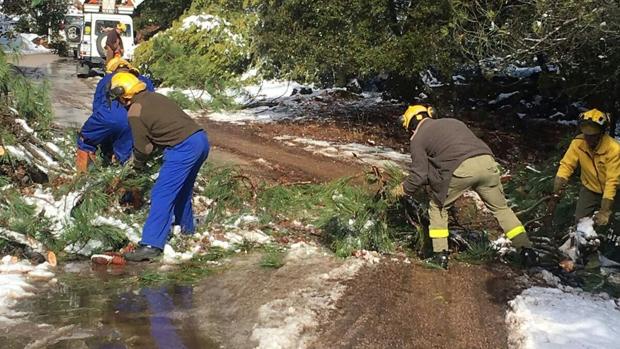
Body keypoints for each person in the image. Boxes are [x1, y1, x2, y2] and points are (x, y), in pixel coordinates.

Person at [392, 105, 534, 269]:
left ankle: (440, 256)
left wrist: (398, 191)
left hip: (461, 169)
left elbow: (418, 176)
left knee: (438, 208)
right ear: (430, 113)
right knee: (502, 209)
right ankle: (527, 251)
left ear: (409, 126)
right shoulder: (453, 122)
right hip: (488, 163)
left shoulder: (417, 138)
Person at [110, 72, 210, 262]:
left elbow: (143, 148)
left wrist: (135, 166)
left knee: (161, 194)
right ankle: (186, 229)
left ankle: (151, 245)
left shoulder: (135, 111)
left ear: (123, 94)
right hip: (201, 140)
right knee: (182, 191)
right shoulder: (154, 97)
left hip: (183, 147)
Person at [76, 58, 154, 173]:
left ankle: (82, 176)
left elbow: (98, 107)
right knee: (126, 155)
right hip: (139, 120)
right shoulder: (144, 80)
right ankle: (125, 176)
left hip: (113, 116)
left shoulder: (107, 79)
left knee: (85, 140)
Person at [551, 109, 620, 227]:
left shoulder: (613, 149)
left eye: (593, 136)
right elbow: (566, 165)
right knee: (580, 221)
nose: (589, 140)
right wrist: (556, 190)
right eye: (586, 135)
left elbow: (612, 181)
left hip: (615, 192)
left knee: (614, 224)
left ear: (601, 134)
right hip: (590, 188)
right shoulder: (578, 143)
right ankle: (582, 242)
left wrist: (605, 210)